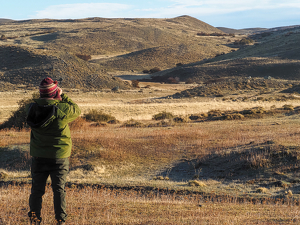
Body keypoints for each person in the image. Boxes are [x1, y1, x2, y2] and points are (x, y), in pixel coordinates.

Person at [26, 77, 81, 225]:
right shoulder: (61, 109)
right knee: (59, 190)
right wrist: (62, 96)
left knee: (36, 191)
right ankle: (60, 220)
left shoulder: (31, 109)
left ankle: (34, 220)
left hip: (38, 156)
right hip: (59, 157)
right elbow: (76, 109)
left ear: (40, 93)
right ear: (54, 93)